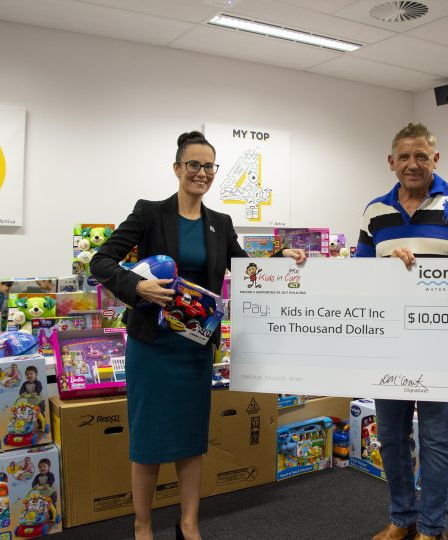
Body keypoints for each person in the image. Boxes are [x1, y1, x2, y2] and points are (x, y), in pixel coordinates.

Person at [89, 131, 305, 540]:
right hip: (152, 347)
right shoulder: (150, 213)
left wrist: (281, 259)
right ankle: (142, 524)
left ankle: (188, 521)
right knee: (149, 436)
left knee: (191, 436)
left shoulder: (219, 224)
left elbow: (245, 272)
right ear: (177, 168)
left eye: (209, 166)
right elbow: (100, 261)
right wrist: (136, 286)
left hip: (194, 346)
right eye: (194, 165)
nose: (202, 173)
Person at [356, 122, 448, 540]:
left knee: (436, 438)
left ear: (435, 159)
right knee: (390, 437)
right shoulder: (375, 212)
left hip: (441, 342)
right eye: (404, 157)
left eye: (421, 156)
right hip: (389, 341)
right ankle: (401, 519)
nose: (412, 164)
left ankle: (432, 527)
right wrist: (381, 270)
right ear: (391, 162)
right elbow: (357, 273)